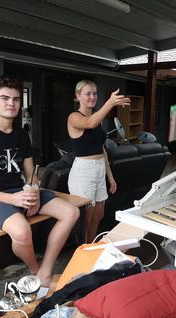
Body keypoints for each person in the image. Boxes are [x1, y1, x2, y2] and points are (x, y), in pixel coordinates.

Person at [0, 76, 79, 287]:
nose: (11, 103)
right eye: (5, 98)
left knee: (71, 212)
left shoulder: (21, 135)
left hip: (20, 192)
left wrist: (33, 190)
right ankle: (36, 271)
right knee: (22, 232)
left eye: (16, 99)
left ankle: (46, 271)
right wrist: (12, 199)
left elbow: (31, 174)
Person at [67, 80, 130, 243]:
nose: (92, 97)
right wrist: (110, 103)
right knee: (85, 219)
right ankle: (81, 249)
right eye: (88, 93)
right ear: (77, 96)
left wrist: (110, 176)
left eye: (94, 93)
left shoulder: (98, 119)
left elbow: (101, 149)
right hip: (83, 171)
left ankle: (91, 246)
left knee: (98, 216)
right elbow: (89, 123)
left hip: (99, 169)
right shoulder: (74, 117)